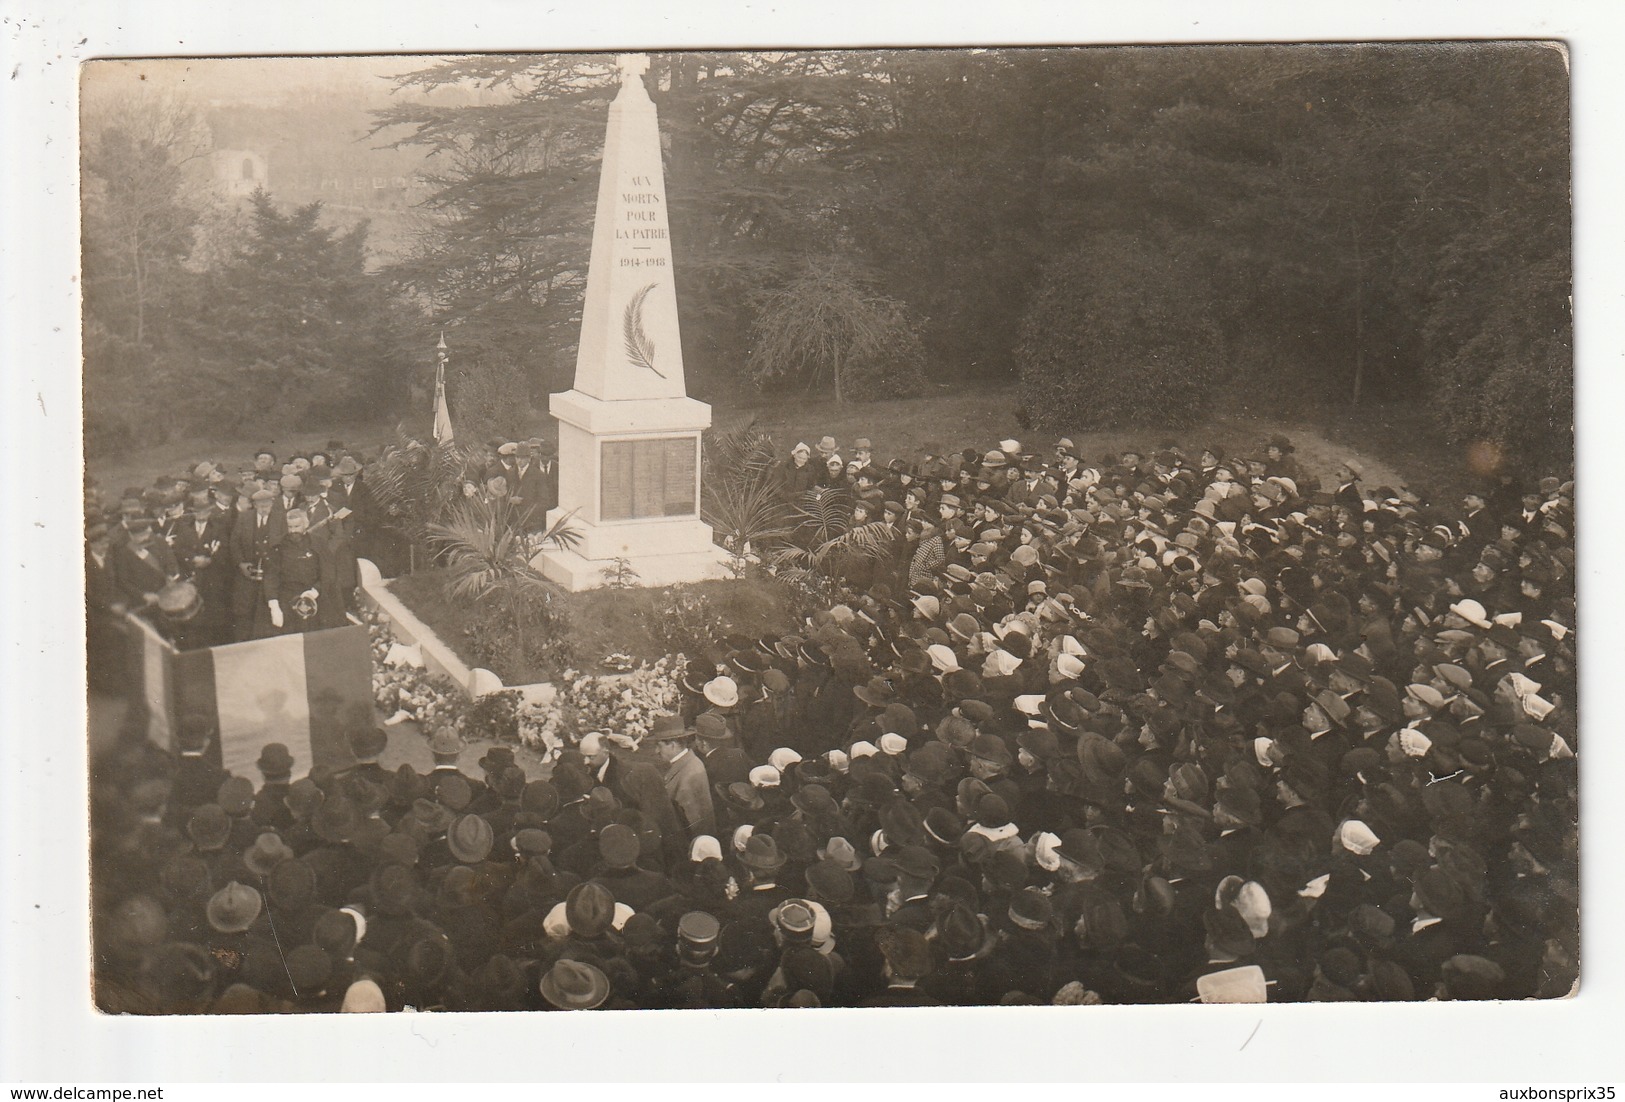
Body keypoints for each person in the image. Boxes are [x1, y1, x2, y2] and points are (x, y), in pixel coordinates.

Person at [263, 508, 342, 634]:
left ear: (306, 524)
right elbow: (271, 576)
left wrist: (314, 592)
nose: (293, 531)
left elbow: (328, 572)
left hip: (315, 597)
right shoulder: (279, 546)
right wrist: (274, 605)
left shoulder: (318, 543)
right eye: (290, 527)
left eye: (297, 526)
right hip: (287, 600)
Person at [653, 721, 715, 842]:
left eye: (659, 746)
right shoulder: (687, 763)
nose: (656, 751)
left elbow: (691, 823)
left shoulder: (688, 774)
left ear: (672, 745)